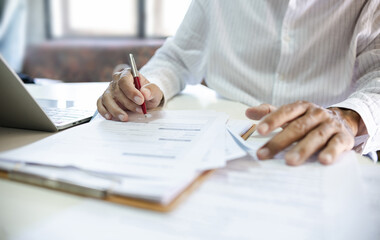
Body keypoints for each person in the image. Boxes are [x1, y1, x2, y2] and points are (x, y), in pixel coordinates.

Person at [97, 0, 380, 166]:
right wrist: (149, 85)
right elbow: (179, 57)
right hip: (217, 148)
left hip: (324, 152)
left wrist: (350, 117)